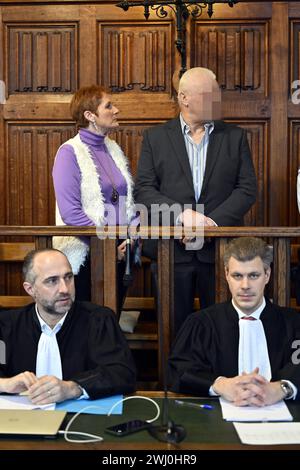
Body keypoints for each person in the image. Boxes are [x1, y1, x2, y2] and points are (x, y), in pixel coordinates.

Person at [135, 67, 257, 333]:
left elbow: (247, 189)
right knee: (173, 331)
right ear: (184, 98)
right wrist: (182, 216)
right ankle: (174, 377)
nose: (217, 99)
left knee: (224, 330)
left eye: (217, 93)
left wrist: (210, 223)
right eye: (208, 93)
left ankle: (223, 377)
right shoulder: (155, 138)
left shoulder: (235, 137)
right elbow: (144, 190)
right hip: (171, 252)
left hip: (221, 252)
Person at [168, 237, 300, 406]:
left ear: (267, 275)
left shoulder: (293, 323)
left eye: (253, 275)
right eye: (237, 275)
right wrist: (220, 384)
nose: (245, 285)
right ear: (226, 275)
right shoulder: (201, 323)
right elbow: (177, 370)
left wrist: (283, 387)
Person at [0, 249, 136, 405]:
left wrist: (71, 388)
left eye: (68, 277)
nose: (65, 289)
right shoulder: (6, 327)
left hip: (81, 422)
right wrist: (5, 384)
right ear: (30, 289)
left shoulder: (98, 320)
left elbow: (122, 373)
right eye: (52, 281)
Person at [52, 85, 138, 308]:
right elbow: (70, 213)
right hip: (87, 251)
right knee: (87, 324)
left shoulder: (113, 148)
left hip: (120, 249)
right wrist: (106, 244)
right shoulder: (68, 152)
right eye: (109, 106)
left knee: (111, 319)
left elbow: (127, 200)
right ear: (90, 116)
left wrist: (133, 231)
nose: (116, 110)